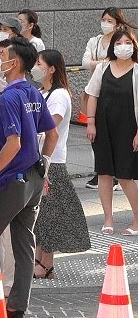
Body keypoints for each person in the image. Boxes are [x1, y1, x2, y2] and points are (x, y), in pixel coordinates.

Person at [0, 37, 56, 318]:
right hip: (34, 177)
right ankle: (17, 307)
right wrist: (45, 167)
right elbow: (51, 134)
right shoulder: (33, 92)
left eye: (3, 56)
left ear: (14, 63)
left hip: (11, 180)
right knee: (24, 242)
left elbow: (12, 143)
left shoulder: (9, 97)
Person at [30, 49, 90, 277]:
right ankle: (38, 259)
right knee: (42, 213)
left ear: (52, 68)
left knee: (51, 213)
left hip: (52, 160)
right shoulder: (41, 92)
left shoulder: (59, 95)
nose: (36, 67)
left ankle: (47, 263)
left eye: (39, 63)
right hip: (39, 157)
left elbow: (49, 125)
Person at [85, 30, 138, 235]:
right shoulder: (103, 68)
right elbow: (93, 95)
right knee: (104, 173)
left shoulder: (136, 70)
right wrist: (91, 122)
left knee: (125, 176)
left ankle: (136, 220)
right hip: (103, 127)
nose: (123, 46)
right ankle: (108, 219)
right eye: (119, 42)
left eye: (127, 42)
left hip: (128, 127)